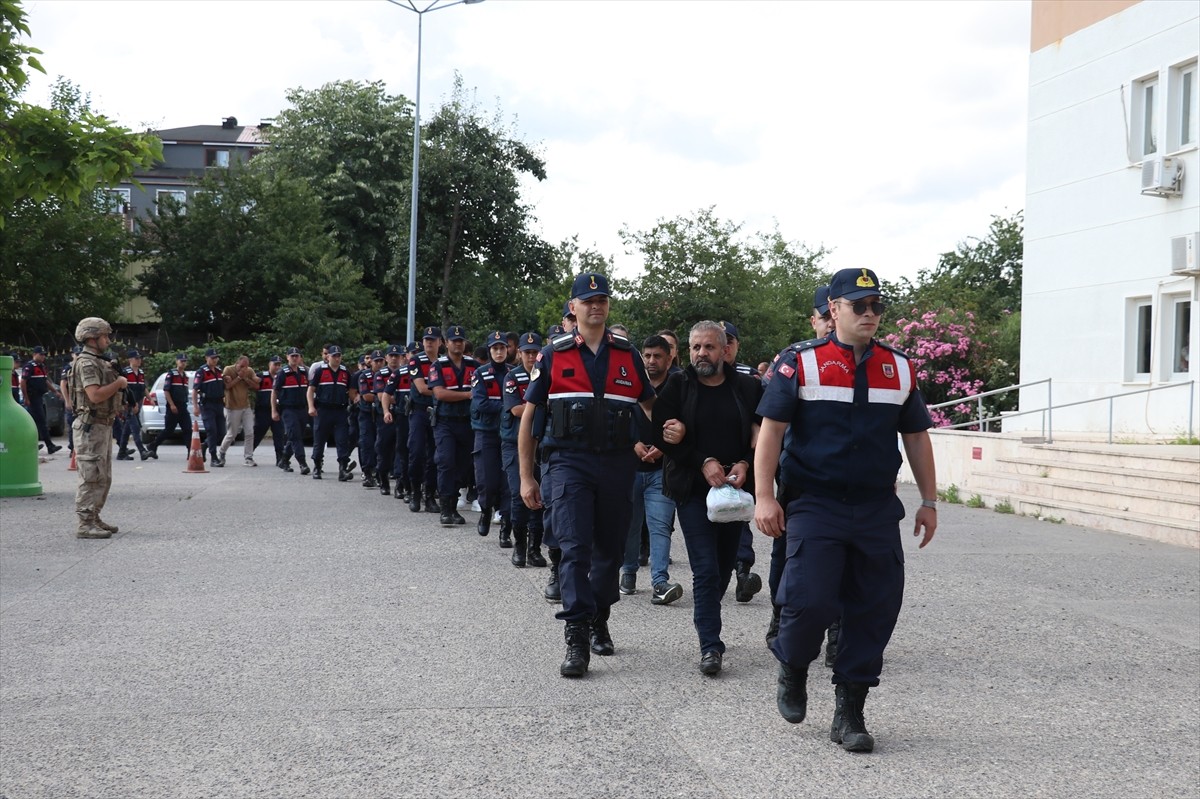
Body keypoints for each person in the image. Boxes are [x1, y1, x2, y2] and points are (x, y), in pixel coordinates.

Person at [754, 268, 938, 754]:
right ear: (833, 309)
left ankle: (850, 710)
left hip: (876, 506)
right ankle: (793, 666)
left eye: (877, 306)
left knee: (875, 606)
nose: (871, 314)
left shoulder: (898, 367)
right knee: (809, 599)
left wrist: (929, 501)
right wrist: (765, 496)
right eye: (860, 306)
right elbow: (770, 431)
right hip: (815, 502)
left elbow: (916, 436)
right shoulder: (801, 363)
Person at [519, 273, 656, 678]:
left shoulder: (627, 355)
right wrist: (528, 477)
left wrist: (656, 437)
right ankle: (577, 634)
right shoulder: (553, 355)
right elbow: (529, 420)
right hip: (567, 462)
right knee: (574, 547)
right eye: (588, 300)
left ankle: (600, 615)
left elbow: (651, 406)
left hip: (616, 463)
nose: (596, 306)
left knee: (609, 551)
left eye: (602, 299)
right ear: (573, 307)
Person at [655, 321, 762, 676]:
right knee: (704, 569)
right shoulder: (677, 384)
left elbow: (762, 436)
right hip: (692, 490)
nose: (703, 354)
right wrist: (702, 461)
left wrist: (746, 464)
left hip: (734, 491)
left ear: (725, 350)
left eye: (710, 347)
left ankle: (706, 615)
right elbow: (661, 432)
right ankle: (711, 646)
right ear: (688, 351)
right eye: (696, 348)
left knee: (723, 568)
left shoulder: (747, 387)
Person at [766, 285, 834, 652]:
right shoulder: (794, 360)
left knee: (845, 559)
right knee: (787, 553)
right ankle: (781, 616)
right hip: (797, 477)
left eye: (832, 316)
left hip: (843, 481)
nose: (829, 324)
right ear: (814, 320)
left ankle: (838, 632)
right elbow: (768, 422)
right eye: (823, 318)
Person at [619, 334, 682, 605]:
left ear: (670, 358)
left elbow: (684, 425)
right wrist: (632, 443)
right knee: (630, 526)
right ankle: (629, 573)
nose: (651, 361)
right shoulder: (629, 383)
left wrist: (664, 447)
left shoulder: (679, 386)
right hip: (630, 467)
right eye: (647, 355)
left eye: (658, 356)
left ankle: (659, 582)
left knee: (659, 526)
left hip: (662, 469)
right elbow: (617, 418)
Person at [719, 320, 765, 605]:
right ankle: (721, 572)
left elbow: (764, 415)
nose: (724, 347)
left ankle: (742, 571)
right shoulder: (699, 376)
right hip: (710, 461)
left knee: (740, 514)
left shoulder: (750, 378)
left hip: (742, 459)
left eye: (730, 342)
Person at [67, 318, 127, 539]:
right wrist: (119, 383)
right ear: (92, 338)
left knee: (103, 477)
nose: (108, 340)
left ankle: (94, 517)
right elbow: (95, 395)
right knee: (90, 476)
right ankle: (85, 524)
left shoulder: (99, 361)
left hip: (102, 425)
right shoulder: (87, 363)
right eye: (104, 336)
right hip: (91, 426)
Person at [501, 332, 547, 568]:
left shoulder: (545, 374)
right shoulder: (512, 377)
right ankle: (519, 546)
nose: (531, 356)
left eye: (534, 352)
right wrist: (541, 407)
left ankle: (535, 548)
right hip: (514, 444)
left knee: (541, 497)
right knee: (520, 494)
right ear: (519, 353)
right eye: (527, 352)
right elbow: (516, 409)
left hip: (541, 444)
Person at [428, 325, 478, 526]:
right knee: (446, 461)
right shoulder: (438, 366)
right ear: (446, 343)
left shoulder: (473, 365)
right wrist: (467, 395)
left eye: (461, 341)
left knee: (462, 465)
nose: (458, 344)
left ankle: (454, 504)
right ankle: (446, 508)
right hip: (445, 422)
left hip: (467, 422)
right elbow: (439, 393)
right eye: (453, 341)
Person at [470, 331, 511, 539]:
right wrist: (508, 406)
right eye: (495, 348)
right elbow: (481, 403)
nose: (498, 352)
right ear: (489, 350)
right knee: (487, 479)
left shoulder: (513, 373)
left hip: (508, 434)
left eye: (502, 348)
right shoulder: (480, 374)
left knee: (508, 482)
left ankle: (505, 526)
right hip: (486, 433)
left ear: (507, 350)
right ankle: (486, 511)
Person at [307, 345, 357, 481]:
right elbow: (311, 390)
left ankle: (342, 470)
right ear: (328, 356)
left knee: (342, 440)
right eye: (334, 355)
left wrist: (357, 399)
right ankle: (317, 467)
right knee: (319, 439)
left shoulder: (345, 372)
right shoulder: (320, 371)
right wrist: (311, 407)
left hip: (340, 411)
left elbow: (351, 391)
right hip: (323, 410)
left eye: (338, 355)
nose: (336, 358)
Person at [406, 327, 442, 514]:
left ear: (440, 342)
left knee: (434, 456)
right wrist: (444, 391)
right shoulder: (416, 360)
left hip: (438, 412)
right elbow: (421, 388)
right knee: (417, 452)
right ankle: (415, 494)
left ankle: (429, 495)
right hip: (419, 411)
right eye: (426, 339)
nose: (429, 342)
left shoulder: (444, 362)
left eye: (433, 339)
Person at [271, 347, 311, 475]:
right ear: (287, 357)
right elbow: (274, 392)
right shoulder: (283, 372)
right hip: (288, 409)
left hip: (302, 408)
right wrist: (274, 410)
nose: (294, 358)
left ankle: (284, 459)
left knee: (295, 436)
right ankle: (302, 463)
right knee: (295, 435)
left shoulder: (304, 372)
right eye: (292, 356)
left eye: (297, 356)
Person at [218, 354, 260, 466]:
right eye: (241, 366)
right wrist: (239, 377)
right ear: (237, 364)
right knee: (232, 434)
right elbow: (227, 386)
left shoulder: (249, 371)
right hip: (232, 406)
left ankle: (248, 457)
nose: (244, 369)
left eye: (246, 366)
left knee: (250, 432)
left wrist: (246, 378)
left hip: (246, 406)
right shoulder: (228, 369)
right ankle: (221, 452)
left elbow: (256, 386)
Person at [20, 346, 62, 453]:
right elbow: (23, 382)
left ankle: (34, 444)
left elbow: (45, 381)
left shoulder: (41, 366)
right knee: (40, 422)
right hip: (33, 398)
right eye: (41, 354)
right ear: (35, 354)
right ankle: (49, 446)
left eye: (44, 354)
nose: (43, 356)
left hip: (39, 398)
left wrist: (55, 391)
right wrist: (26, 398)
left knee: (34, 422)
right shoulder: (29, 367)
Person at [147, 353, 190, 459]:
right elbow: (166, 391)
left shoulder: (185, 376)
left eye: (185, 361)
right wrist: (172, 405)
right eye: (181, 361)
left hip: (183, 406)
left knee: (188, 429)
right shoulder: (171, 374)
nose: (183, 363)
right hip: (173, 406)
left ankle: (190, 452)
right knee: (169, 430)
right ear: (177, 362)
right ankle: (153, 445)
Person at [192, 348, 226, 466]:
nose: (215, 360)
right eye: (212, 358)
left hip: (219, 404)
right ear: (206, 358)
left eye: (216, 358)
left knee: (221, 432)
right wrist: (195, 406)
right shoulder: (201, 371)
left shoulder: (219, 371)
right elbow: (195, 390)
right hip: (207, 404)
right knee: (211, 430)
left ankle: (205, 445)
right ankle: (214, 457)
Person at [253, 355, 286, 468]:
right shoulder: (261, 376)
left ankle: (280, 458)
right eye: (275, 364)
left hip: (278, 410)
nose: (277, 367)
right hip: (263, 410)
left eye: (279, 365)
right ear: (269, 365)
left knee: (279, 435)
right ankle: (248, 454)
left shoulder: (282, 377)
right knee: (258, 433)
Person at [116, 349, 150, 461]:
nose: (139, 360)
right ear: (130, 360)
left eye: (140, 358)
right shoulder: (125, 372)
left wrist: (150, 398)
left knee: (127, 429)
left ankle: (121, 453)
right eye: (136, 358)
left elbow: (143, 387)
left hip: (138, 403)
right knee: (135, 428)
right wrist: (125, 403)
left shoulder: (141, 373)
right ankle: (142, 451)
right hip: (128, 404)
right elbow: (121, 389)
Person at [358, 351, 382, 488]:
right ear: (370, 362)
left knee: (381, 444)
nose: (378, 364)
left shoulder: (387, 374)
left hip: (381, 413)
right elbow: (366, 396)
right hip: (367, 413)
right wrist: (384, 397)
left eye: (381, 361)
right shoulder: (364, 375)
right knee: (366, 443)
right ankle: (367, 473)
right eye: (376, 361)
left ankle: (379, 473)